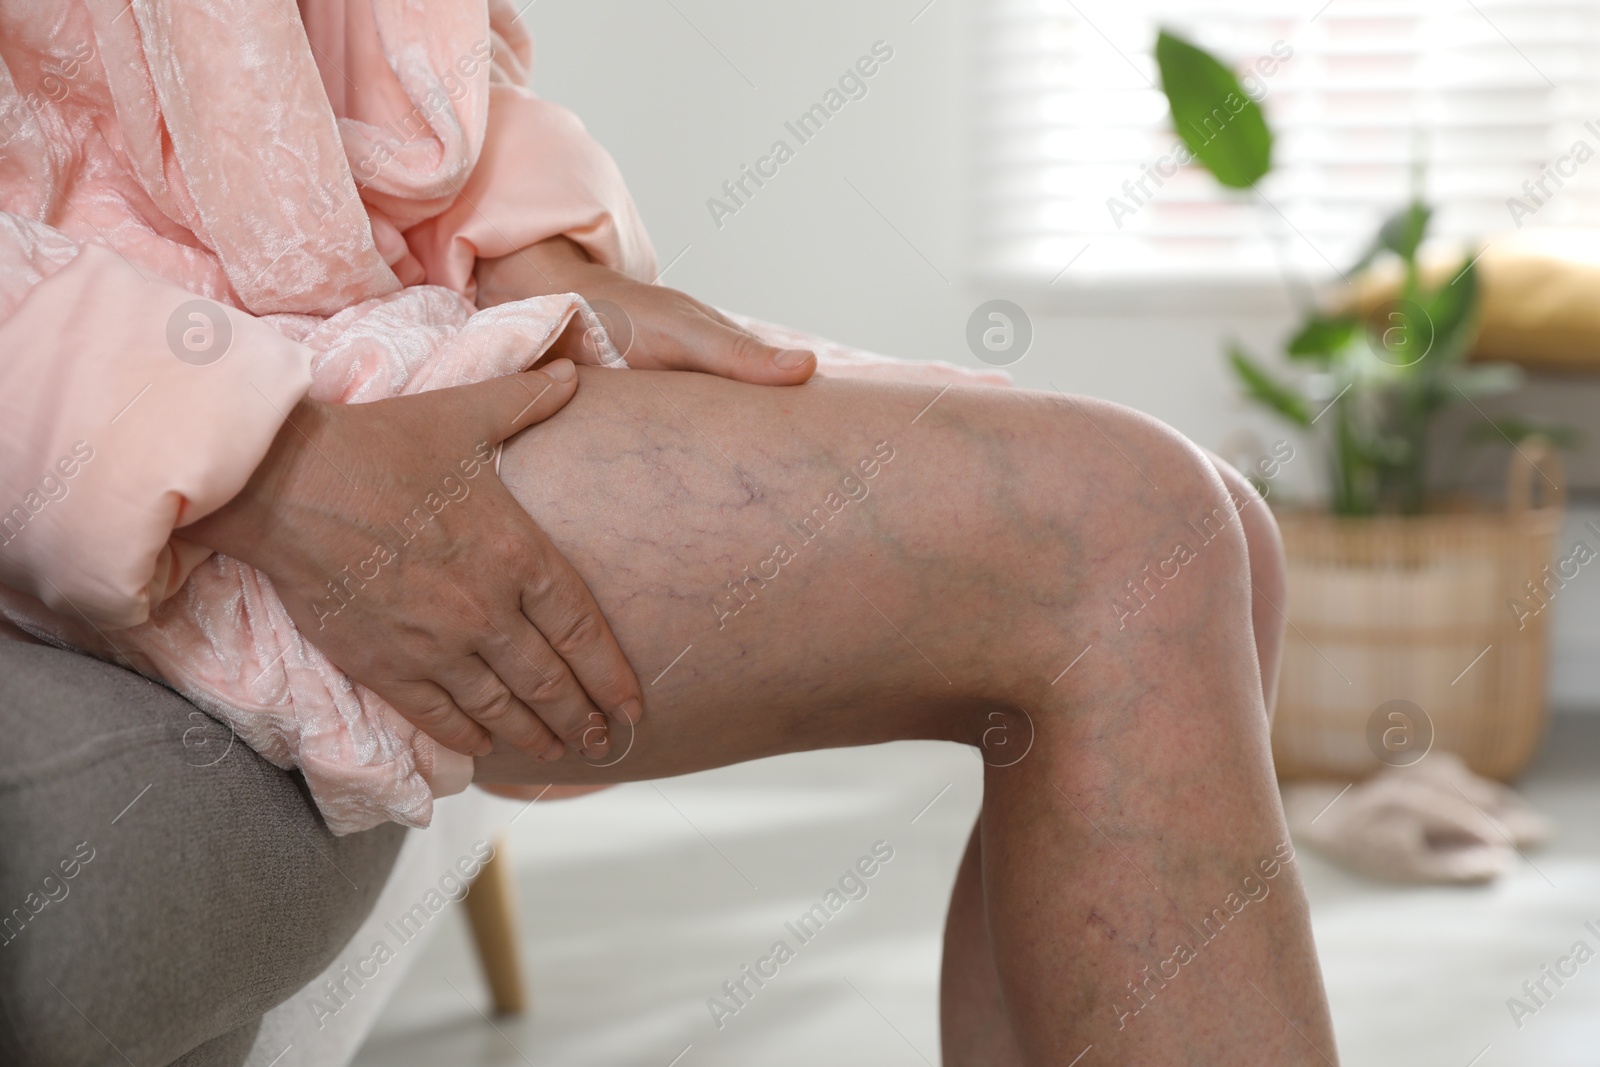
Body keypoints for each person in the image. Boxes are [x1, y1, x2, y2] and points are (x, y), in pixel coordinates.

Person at [0, 0, 1339, 1061]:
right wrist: (262, 467)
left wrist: (537, 249)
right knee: (1132, 539)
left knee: (1223, 533)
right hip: (120, 400)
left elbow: (368, 52)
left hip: (336, 318)